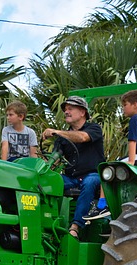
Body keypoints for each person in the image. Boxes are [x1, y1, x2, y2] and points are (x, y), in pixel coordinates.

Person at [83, 89, 137, 220]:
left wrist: (132, 162)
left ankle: (102, 206)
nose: (123, 108)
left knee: (107, 169)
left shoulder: (135, 119)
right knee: (113, 169)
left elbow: (132, 141)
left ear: (135, 105)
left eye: (125, 105)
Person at [42, 96, 105, 239]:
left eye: (70, 109)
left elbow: (82, 137)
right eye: (65, 109)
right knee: (48, 182)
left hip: (93, 175)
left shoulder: (94, 128)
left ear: (82, 112)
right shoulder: (61, 138)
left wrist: (57, 132)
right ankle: (48, 224)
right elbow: (55, 159)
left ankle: (75, 227)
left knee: (89, 183)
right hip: (72, 178)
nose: (66, 112)